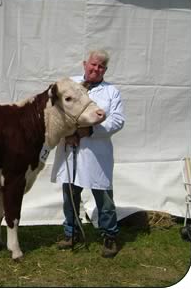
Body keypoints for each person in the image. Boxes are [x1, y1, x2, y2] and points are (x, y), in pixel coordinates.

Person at [50, 49, 125, 258]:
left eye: (101, 66)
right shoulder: (69, 85)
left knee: (104, 199)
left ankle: (109, 236)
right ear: (85, 64)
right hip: (71, 149)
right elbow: (56, 111)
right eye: (93, 64)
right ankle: (71, 233)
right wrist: (70, 133)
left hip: (96, 153)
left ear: (105, 70)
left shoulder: (112, 92)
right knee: (70, 196)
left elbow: (118, 120)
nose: (96, 69)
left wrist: (89, 131)